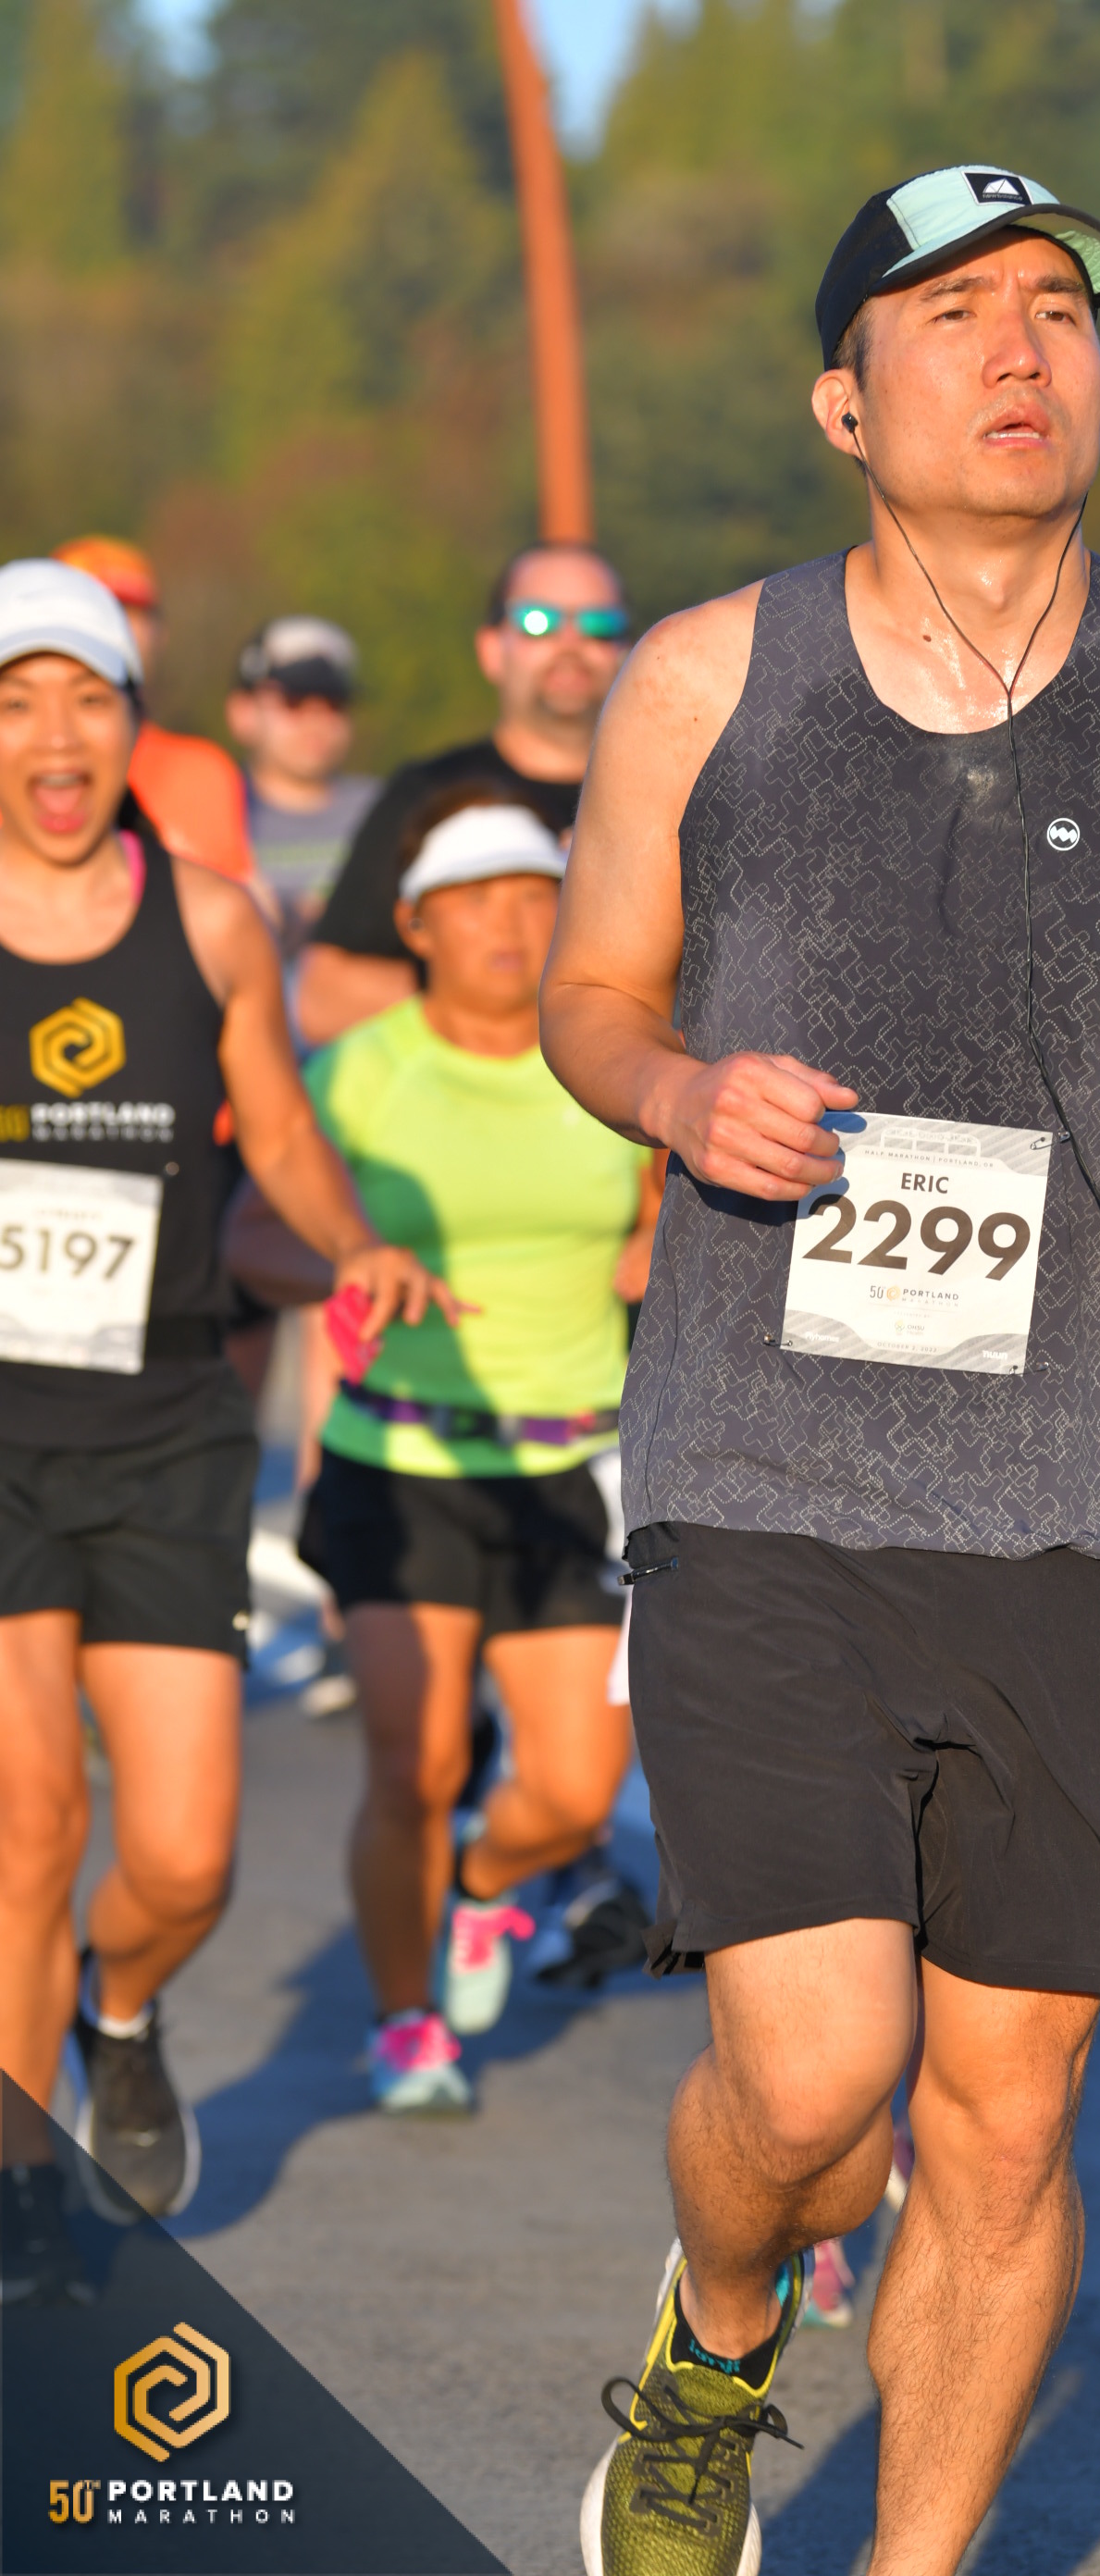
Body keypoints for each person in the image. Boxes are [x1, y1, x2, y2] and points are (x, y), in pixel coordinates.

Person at [541, 163, 1100, 2576]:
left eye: (1056, 308)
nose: (1022, 350)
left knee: (1009, 2122)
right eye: (951, 317)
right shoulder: (704, 680)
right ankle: (721, 2331)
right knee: (811, 2075)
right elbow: (589, 993)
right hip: (762, 1459)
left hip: (1080, 1484)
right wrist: (670, 1091)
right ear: (846, 401)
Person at [0, 559, 451, 2262]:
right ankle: (23, 2181)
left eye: (86, 699)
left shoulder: (207, 920)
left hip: (169, 1422)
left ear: (135, 721)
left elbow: (280, 1133)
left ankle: (118, 2010)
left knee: (183, 1859)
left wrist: (356, 1246)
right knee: (29, 1825)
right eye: (17, 704)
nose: (56, 737)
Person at [297, 787, 661, 2113]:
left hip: (574, 1463)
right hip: (401, 1458)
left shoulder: (611, 1060)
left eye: (533, 897)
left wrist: (660, 1240)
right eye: (474, 903)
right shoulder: (360, 1073)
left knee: (570, 1793)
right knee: (415, 1764)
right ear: (415, 926)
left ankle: (484, 1885)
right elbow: (258, 1232)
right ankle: (407, 2027)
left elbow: (676, 1192)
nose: (509, 927)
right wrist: (348, 1255)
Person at [295, 543, 630, 1046]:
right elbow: (323, 998)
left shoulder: (678, 798)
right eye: (537, 621)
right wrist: (493, 996)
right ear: (492, 650)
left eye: (599, 625)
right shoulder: (428, 794)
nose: (569, 643)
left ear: (628, 652)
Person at [53, 536, 257, 895]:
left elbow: (235, 904)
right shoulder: (13, 766)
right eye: (95, 611)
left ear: (161, 633)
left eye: (129, 612)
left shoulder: (205, 773)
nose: (113, 628)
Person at [226, 615, 379, 955]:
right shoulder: (206, 812)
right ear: (242, 712)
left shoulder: (387, 811)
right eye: (293, 702)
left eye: (334, 704)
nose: (316, 721)